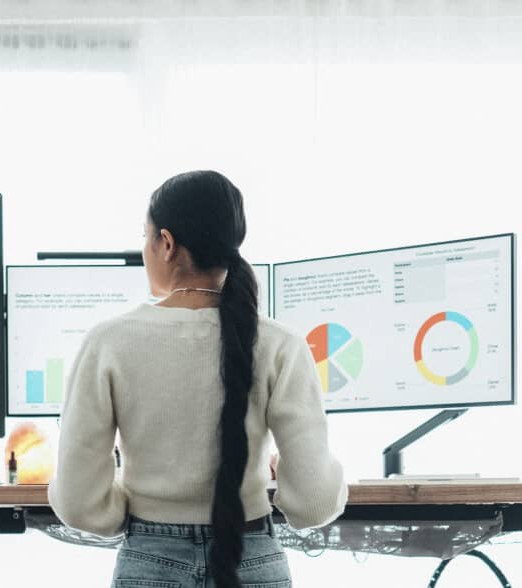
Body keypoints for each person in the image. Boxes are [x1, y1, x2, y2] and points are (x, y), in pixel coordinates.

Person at [49, 170, 347, 587]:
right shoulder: (282, 344)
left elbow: (80, 503)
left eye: (146, 236)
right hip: (254, 560)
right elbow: (313, 505)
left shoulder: (108, 342)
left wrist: (132, 503)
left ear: (166, 244)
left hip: (150, 563)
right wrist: (281, 474)